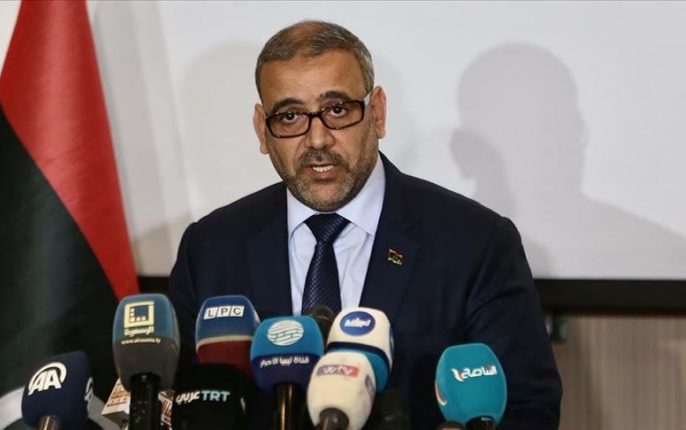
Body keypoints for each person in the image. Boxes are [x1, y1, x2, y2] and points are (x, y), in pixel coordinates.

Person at [169, 20, 562, 428]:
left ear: (377, 113)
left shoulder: (475, 243)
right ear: (262, 130)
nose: (317, 139)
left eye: (337, 110)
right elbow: (176, 402)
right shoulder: (211, 248)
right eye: (290, 117)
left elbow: (528, 410)